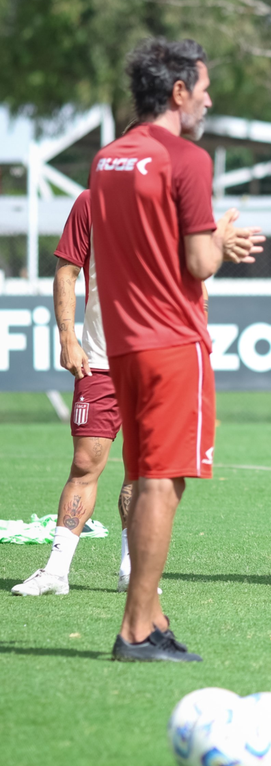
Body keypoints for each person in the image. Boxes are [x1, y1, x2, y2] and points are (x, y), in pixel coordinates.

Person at [94, 37, 262, 661]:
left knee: (148, 479)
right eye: (205, 89)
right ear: (179, 91)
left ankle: (152, 617)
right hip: (172, 341)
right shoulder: (186, 159)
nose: (209, 101)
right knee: (164, 484)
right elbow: (199, 262)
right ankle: (136, 631)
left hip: (123, 343)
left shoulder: (107, 159)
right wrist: (223, 238)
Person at [11, 190, 135, 597]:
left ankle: (133, 570)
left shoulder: (173, 201)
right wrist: (67, 337)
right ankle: (56, 571)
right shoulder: (91, 202)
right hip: (99, 360)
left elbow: (193, 279)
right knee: (84, 463)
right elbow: (67, 272)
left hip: (154, 363)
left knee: (143, 468)